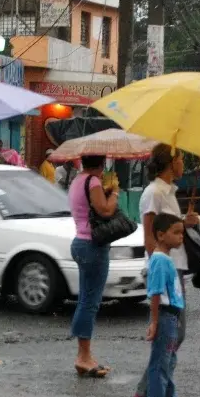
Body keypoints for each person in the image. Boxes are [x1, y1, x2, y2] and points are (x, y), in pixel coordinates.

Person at [132, 144, 197, 397]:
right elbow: (150, 235)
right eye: (181, 158)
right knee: (169, 334)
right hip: (166, 270)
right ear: (170, 162)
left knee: (175, 335)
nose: (183, 164)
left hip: (177, 266)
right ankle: (149, 393)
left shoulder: (169, 192)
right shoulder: (154, 193)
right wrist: (158, 266)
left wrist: (186, 222)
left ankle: (155, 391)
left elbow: (167, 229)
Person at [68, 155, 119, 378]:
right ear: (101, 163)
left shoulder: (78, 181)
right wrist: (115, 191)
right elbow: (106, 211)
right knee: (90, 302)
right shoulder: (93, 181)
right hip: (93, 245)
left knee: (86, 300)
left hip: (80, 242)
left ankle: (85, 354)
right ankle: (83, 356)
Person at [144, 213, 186, 397]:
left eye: (182, 232)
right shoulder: (160, 260)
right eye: (176, 232)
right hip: (164, 316)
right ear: (161, 235)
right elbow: (155, 293)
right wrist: (154, 321)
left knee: (169, 360)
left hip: (172, 316)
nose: (181, 237)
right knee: (161, 360)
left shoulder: (165, 258)